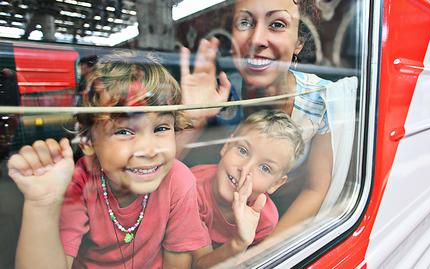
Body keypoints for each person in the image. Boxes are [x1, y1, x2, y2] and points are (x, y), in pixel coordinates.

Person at [7, 51, 210, 268]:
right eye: (124, 131)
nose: (149, 150)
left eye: (160, 128)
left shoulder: (178, 179)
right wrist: (42, 204)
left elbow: (177, 260)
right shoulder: (79, 183)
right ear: (87, 141)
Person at [180, 0, 333, 234]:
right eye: (245, 22)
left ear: (298, 43)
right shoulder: (219, 92)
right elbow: (162, 175)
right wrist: (193, 118)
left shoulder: (321, 100)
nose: (256, 39)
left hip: (283, 224)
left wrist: (263, 252)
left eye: (278, 24)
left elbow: (315, 189)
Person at [192, 110, 305, 268]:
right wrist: (238, 243)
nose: (245, 169)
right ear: (226, 146)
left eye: (265, 168)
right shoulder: (191, 189)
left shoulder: (264, 220)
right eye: (243, 150)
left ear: (276, 184)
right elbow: (197, 265)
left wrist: (243, 243)